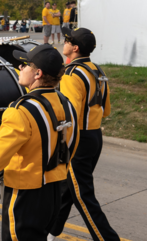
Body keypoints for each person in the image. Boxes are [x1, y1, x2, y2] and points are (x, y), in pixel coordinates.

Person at [0, 44, 79, 241]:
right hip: (54, 191)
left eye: (25, 65)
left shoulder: (21, 111)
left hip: (26, 196)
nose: (20, 67)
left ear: (38, 74)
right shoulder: (66, 103)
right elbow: (71, 145)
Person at [48, 28, 119, 241]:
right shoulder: (97, 70)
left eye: (68, 40)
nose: (64, 41)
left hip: (78, 139)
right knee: (67, 190)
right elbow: (105, 110)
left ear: (75, 48)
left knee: (83, 196)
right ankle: (49, 234)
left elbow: (70, 116)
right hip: (95, 136)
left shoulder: (70, 73)